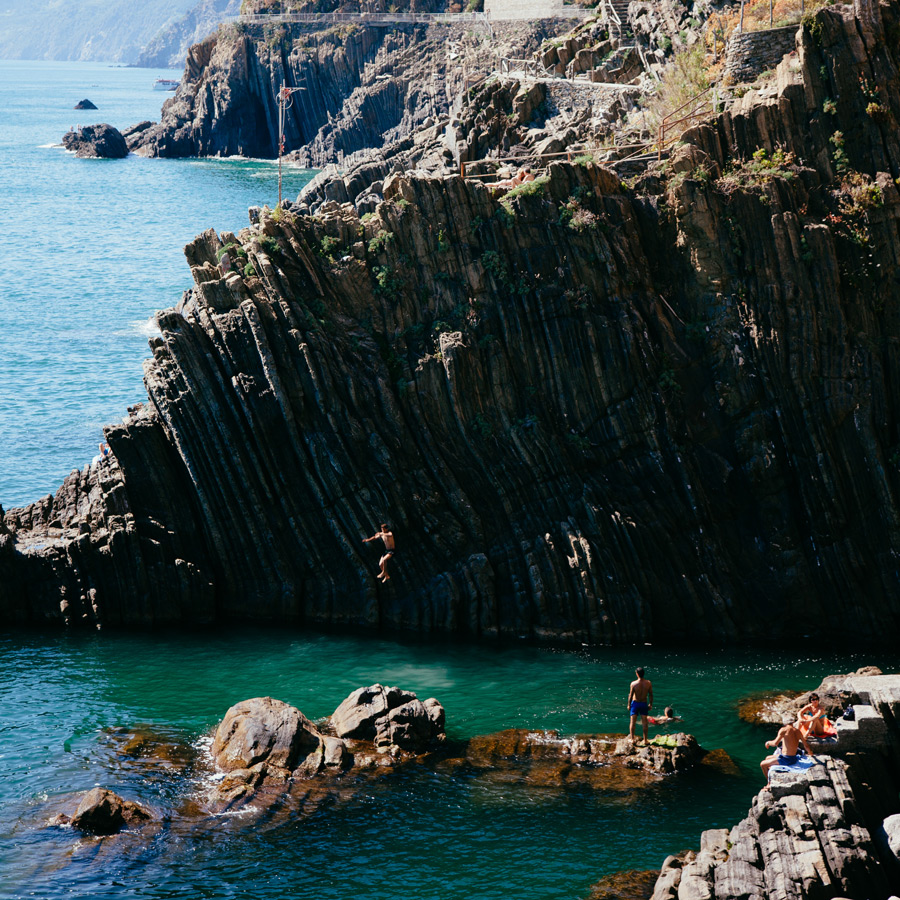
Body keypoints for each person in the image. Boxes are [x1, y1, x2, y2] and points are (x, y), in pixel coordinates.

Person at [627, 667, 653, 744]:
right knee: (645, 723)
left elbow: (630, 696)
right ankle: (645, 740)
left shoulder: (633, 684)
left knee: (632, 722)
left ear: (637, 674)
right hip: (643, 703)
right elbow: (651, 694)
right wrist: (650, 704)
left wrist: (629, 705)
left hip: (635, 703)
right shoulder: (648, 683)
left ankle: (632, 739)